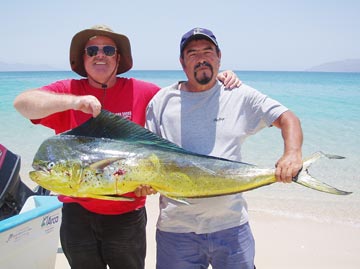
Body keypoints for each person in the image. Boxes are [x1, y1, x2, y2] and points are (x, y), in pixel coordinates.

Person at [13, 25, 241, 269]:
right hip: (77, 214)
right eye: (92, 50)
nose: (100, 55)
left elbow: (185, 95)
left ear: (118, 58)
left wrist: (214, 76)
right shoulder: (69, 90)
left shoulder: (142, 91)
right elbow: (22, 103)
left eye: (108, 50)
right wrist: (75, 102)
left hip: (127, 215)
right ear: (83, 58)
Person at [145, 27, 303, 269]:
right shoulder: (161, 102)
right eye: (192, 53)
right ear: (182, 62)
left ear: (219, 56)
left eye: (208, 51)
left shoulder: (238, 94)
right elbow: (148, 157)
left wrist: (292, 154)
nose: (201, 58)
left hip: (232, 228)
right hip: (175, 231)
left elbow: (286, 117)